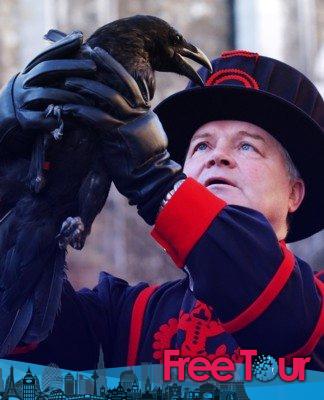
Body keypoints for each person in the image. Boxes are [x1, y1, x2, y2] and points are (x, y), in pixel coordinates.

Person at [0, 35, 323, 372]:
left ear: (294, 193)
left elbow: (272, 301)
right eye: (201, 147)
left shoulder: (314, 303)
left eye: (247, 147)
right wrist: (17, 181)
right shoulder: (126, 315)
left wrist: (155, 181)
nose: (218, 157)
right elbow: (22, 340)